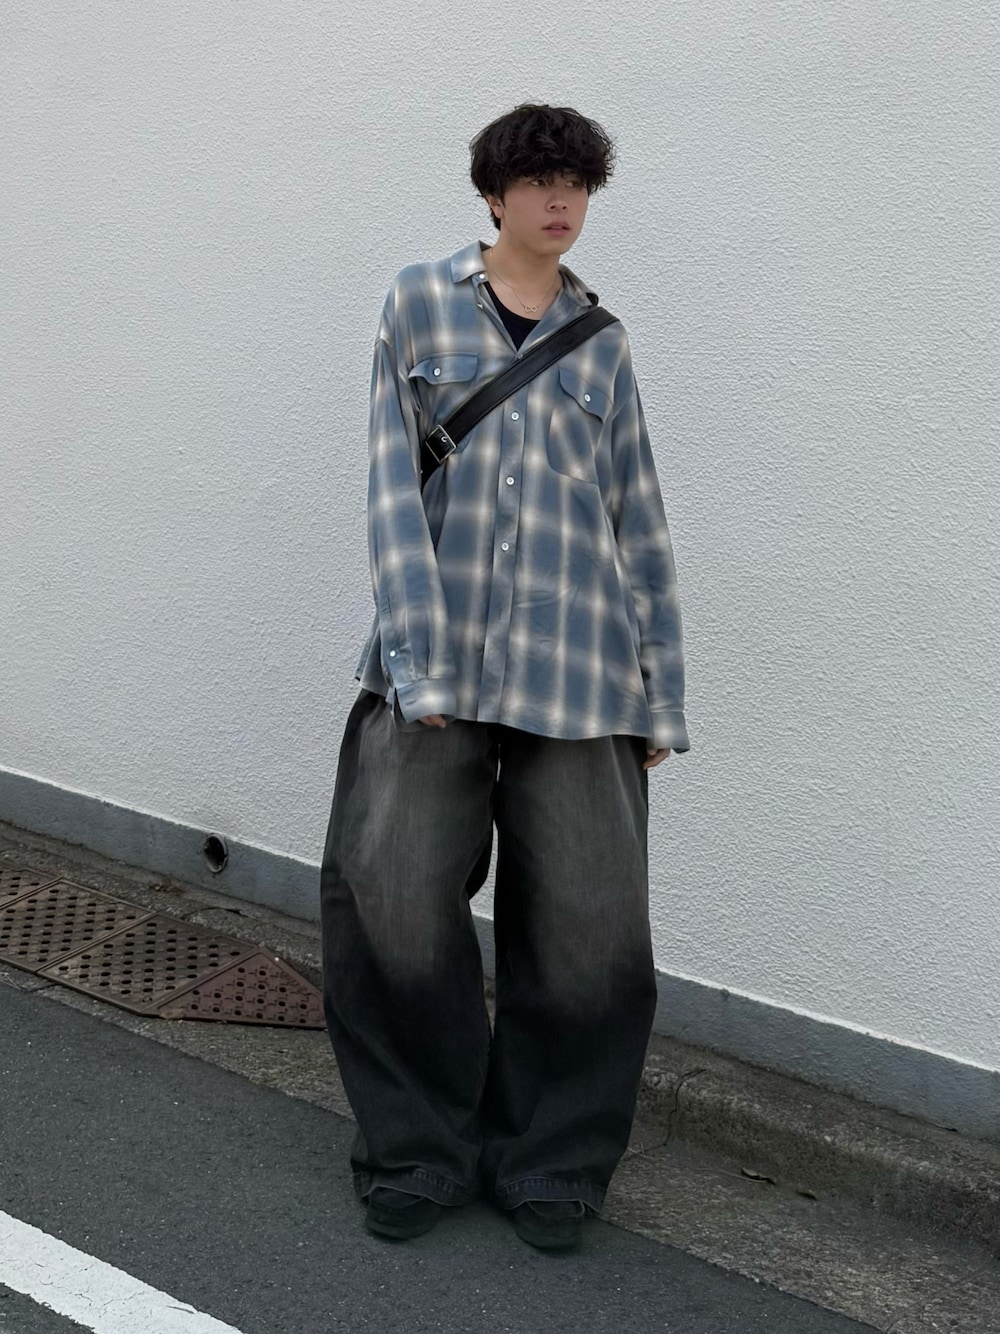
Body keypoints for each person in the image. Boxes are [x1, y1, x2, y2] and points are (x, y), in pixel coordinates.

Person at [320, 103, 689, 1251]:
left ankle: (552, 1161)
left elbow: (638, 518)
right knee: (392, 901)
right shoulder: (417, 301)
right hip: (432, 662)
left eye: (575, 181)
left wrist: (660, 690)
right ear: (493, 195)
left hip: (582, 672)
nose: (557, 200)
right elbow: (390, 487)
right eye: (535, 181)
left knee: (589, 927)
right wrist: (416, 661)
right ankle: (415, 1148)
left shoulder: (602, 341)